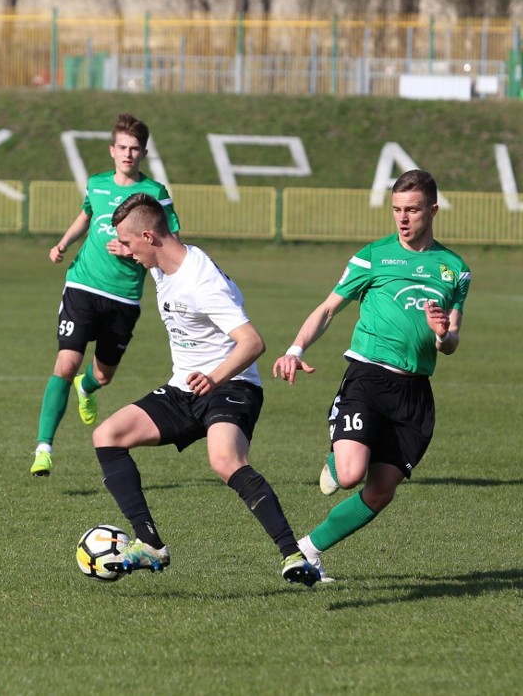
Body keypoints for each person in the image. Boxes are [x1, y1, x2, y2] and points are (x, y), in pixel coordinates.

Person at [89, 192, 320, 586]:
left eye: (128, 244)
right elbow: (154, 233)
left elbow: (252, 342)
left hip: (232, 385)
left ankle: (294, 556)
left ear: (149, 237)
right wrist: (122, 240)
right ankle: (150, 545)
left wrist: (214, 377)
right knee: (107, 435)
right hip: (185, 388)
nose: (126, 253)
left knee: (225, 460)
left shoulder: (203, 282)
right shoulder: (161, 260)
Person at [273, 169, 471, 583]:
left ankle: (309, 550)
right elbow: (328, 309)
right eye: (397, 209)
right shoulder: (373, 256)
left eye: (412, 210)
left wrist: (441, 335)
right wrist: (295, 349)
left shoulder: (454, 270)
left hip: (414, 393)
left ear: (432, 211)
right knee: (347, 475)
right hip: (368, 377)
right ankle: (335, 458)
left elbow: (451, 342)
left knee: (380, 491)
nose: (402, 218)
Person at [30, 114, 181, 477]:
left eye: (135, 149)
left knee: (102, 375)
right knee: (65, 364)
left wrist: (131, 252)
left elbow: (172, 242)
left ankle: (88, 387)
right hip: (82, 284)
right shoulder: (96, 184)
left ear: (143, 153)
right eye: (123, 148)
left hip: (124, 297)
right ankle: (43, 449)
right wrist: (63, 243)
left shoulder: (155, 194)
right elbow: (86, 215)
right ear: (112, 150)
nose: (128, 154)